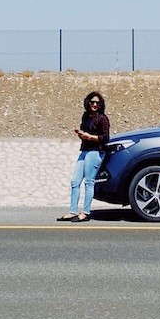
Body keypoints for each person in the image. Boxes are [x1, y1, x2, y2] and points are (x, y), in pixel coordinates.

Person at [58, 91, 110, 222]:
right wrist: (81, 134)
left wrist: (89, 136)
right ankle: (72, 211)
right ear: (88, 103)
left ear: (100, 105)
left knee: (89, 182)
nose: (94, 104)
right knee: (75, 181)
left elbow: (105, 138)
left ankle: (86, 212)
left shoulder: (103, 118)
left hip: (96, 151)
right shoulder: (85, 116)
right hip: (85, 150)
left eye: (97, 103)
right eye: (92, 102)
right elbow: (85, 132)